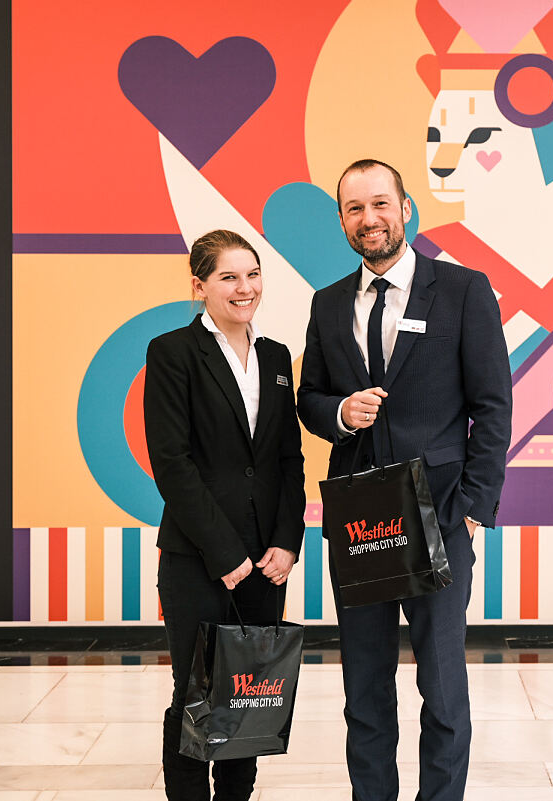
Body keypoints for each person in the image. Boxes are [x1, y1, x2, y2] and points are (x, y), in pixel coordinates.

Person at [298, 159, 512, 801]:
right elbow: (309, 397)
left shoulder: (465, 289)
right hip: (363, 516)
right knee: (364, 684)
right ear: (341, 220)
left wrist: (474, 504)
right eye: (355, 208)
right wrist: (339, 413)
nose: (370, 219)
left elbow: (493, 404)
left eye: (380, 204)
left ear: (406, 208)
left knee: (442, 684)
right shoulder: (328, 303)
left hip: (440, 514)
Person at [144, 229, 306, 801]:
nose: (245, 288)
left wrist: (288, 542)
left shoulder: (277, 357)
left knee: (249, 690)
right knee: (193, 691)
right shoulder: (172, 353)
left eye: (253, 274)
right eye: (228, 277)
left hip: (268, 560)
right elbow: (172, 461)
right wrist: (225, 553)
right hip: (198, 557)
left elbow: (289, 457)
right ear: (200, 285)